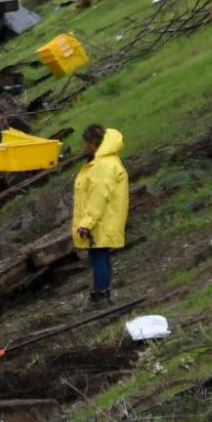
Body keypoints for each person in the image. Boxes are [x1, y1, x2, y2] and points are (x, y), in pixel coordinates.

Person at [72, 125, 128, 304]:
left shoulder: (104, 165)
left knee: (98, 256)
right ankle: (103, 292)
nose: (84, 147)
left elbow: (99, 196)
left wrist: (86, 223)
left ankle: (100, 294)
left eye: (86, 143)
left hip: (101, 220)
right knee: (101, 256)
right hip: (105, 218)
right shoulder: (108, 161)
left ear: (94, 143)